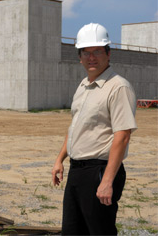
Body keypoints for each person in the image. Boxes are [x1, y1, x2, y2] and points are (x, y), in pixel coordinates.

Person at [51, 23, 137, 235]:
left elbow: (123, 136)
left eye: (97, 51)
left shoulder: (118, 87)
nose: (91, 57)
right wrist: (59, 159)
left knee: (100, 231)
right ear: (79, 57)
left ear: (108, 53)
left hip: (100, 170)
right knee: (72, 231)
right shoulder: (83, 86)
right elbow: (75, 127)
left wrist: (107, 181)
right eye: (86, 52)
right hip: (77, 170)